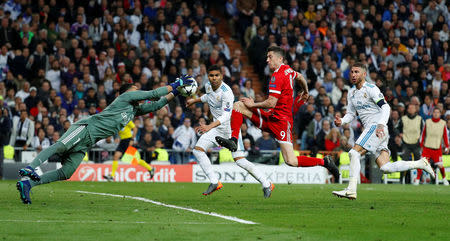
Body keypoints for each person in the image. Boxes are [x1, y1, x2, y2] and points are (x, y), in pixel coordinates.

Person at [16, 76, 194, 204]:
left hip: (88, 142)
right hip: (84, 129)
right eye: (135, 91)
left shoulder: (133, 110)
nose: (138, 93)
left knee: (67, 172)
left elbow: (157, 104)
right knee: (60, 146)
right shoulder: (125, 97)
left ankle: (28, 184)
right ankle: (30, 168)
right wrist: (175, 83)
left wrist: (176, 92)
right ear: (128, 93)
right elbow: (154, 93)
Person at [216, 46, 339, 179]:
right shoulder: (288, 69)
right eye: (267, 57)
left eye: (270, 57)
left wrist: (253, 104)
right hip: (271, 117)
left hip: (282, 122)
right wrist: (306, 91)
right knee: (238, 105)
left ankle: (324, 162)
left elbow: (271, 103)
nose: (267, 60)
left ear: (280, 58)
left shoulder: (276, 77)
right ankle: (233, 140)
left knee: (291, 161)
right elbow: (301, 76)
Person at [332, 63, 435, 200]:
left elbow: (386, 107)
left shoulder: (371, 88)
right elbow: (351, 114)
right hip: (376, 130)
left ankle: (351, 189)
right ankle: (420, 163)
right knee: (385, 167)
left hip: (376, 127)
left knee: (353, 153)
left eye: (357, 72)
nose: (353, 74)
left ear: (364, 74)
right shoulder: (351, 93)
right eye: (351, 72)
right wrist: (342, 121)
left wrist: (380, 124)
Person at [187, 65, 273, 197]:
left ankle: (266, 183)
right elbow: (208, 97)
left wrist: (209, 126)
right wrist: (195, 100)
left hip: (229, 129)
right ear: (208, 77)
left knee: (240, 160)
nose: (214, 78)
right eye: (211, 75)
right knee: (197, 150)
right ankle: (215, 182)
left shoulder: (226, 92)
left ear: (221, 76)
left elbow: (227, 115)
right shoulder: (208, 86)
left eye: (217, 75)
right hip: (216, 128)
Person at [416, 108, 449, 185]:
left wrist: (447, 146)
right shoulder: (427, 122)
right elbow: (423, 134)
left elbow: (445, 136)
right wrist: (421, 145)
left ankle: (444, 179)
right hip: (427, 148)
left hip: (437, 149)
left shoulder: (443, 123)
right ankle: (417, 180)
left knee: (441, 166)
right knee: (421, 164)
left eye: (438, 112)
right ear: (432, 113)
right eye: (435, 112)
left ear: (440, 114)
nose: (436, 114)